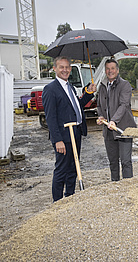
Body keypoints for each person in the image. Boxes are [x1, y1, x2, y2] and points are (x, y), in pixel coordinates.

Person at [42, 56, 96, 202]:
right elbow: (51, 117)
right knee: (61, 170)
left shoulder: (70, 86)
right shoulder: (50, 89)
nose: (65, 70)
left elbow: (77, 105)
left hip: (75, 133)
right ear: (54, 69)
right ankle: (58, 202)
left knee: (73, 167)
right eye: (61, 67)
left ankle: (70, 196)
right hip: (64, 137)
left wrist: (89, 93)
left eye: (67, 67)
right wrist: (57, 140)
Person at [97, 59, 136, 181]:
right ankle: (115, 186)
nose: (110, 71)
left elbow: (124, 105)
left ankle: (128, 187)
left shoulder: (125, 85)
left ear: (117, 70)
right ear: (105, 71)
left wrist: (113, 120)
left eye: (112, 68)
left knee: (125, 161)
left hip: (122, 129)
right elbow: (99, 105)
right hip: (108, 131)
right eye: (107, 69)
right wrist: (101, 116)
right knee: (113, 162)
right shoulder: (102, 86)